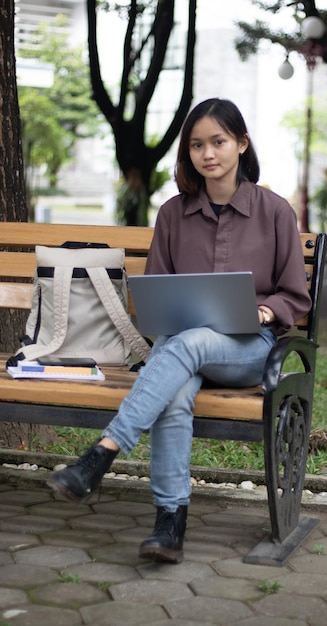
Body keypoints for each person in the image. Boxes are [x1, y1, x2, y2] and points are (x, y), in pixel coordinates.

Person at [47, 98, 311, 564]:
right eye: (196, 145)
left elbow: (293, 295)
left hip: (249, 351)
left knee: (185, 345)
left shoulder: (274, 211)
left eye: (218, 142)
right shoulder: (173, 213)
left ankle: (102, 455)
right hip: (181, 350)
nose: (207, 153)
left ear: (241, 144)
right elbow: (159, 298)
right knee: (175, 385)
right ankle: (168, 525)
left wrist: (264, 314)